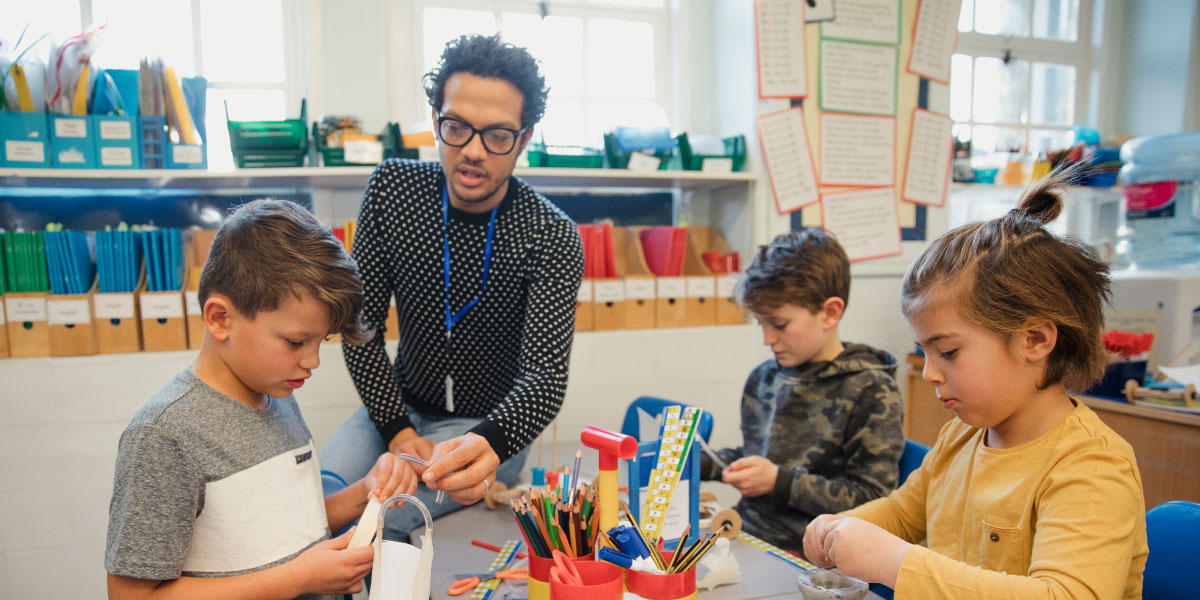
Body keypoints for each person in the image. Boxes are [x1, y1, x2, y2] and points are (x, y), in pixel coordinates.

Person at [802, 169, 1148, 598]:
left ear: (1034, 340)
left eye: (947, 352)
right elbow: (903, 513)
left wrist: (895, 563)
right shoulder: (961, 438)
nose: (930, 372)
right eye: (924, 353)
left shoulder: (1091, 466)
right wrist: (843, 525)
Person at [320, 33, 583, 542]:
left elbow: (544, 376)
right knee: (323, 501)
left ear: (525, 138)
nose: (473, 151)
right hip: (397, 406)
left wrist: (486, 442)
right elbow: (361, 329)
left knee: (381, 521)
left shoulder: (550, 234)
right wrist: (398, 429)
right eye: (456, 127)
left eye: (499, 136)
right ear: (435, 116)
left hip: (486, 425)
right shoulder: (394, 191)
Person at [105, 199, 420, 599]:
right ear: (220, 318)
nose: (312, 361)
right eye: (295, 342)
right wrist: (298, 579)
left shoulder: (276, 392)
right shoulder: (163, 436)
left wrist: (365, 492)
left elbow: (291, 525)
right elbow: (132, 596)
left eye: (320, 341)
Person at [699, 228, 904, 554]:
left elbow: (873, 501)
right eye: (760, 324)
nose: (768, 339)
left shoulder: (871, 390)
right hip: (746, 532)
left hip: (813, 554)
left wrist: (778, 481)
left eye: (779, 325)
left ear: (830, 313)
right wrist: (694, 461)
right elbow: (762, 461)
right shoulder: (764, 378)